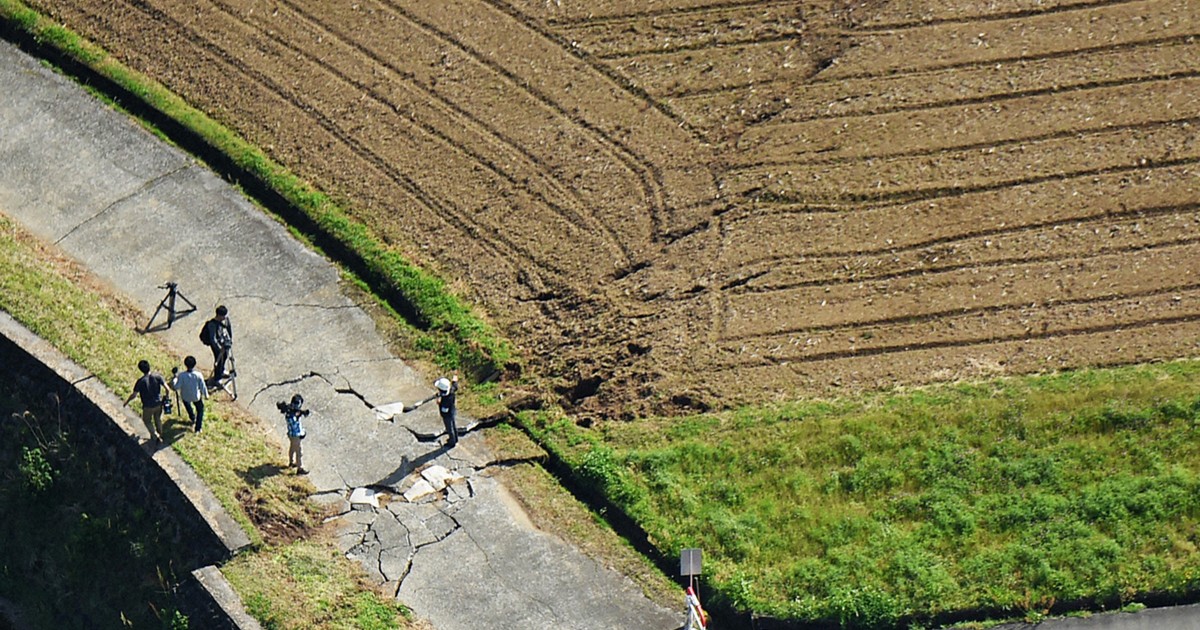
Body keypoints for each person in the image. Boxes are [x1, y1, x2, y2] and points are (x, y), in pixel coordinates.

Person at [123, 359, 169, 444]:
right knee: (157, 418)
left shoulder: (140, 381)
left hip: (148, 406)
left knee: (147, 421)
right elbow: (167, 388)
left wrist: (127, 401)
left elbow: (134, 395)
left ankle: (156, 436)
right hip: (158, 403)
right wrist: (166, 397)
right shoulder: (158, 376)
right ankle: (160, 434)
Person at [171, 355, 209, 432]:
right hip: (196, 396)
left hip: (185, 396)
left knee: (187, 404)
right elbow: (203, 386)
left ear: (185, 365)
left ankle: (192, 417)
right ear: (195, 364)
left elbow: (176, 386)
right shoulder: (198, 375)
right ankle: (198, 428)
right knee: (200, 410)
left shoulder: (181, 375)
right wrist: (206, 395)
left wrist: (175, 378)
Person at [200, 305, 233, 381]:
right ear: (219, 315)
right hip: (216, 345)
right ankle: (217, 377)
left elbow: (227, 329)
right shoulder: (212, 325)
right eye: (223, 316)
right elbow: (213, 339)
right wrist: (219, 348)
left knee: (225, 356)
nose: (225, 318)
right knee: (219, 360)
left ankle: (222, 370)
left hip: (222, 342)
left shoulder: (223, 321)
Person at [280, 394, 309, 474]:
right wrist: (302, 433)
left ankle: (291, 462)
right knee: (299, 452)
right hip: (295, 435)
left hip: (291, 435)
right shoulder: (291, 415)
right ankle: (300, 468)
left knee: (292, 448)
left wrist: (298, 414)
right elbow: (295, 425)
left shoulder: (290, 411)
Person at [435, 374, 459, 447]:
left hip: (447, 415)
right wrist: (454, 380)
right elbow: (455, 386)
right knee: (454, 425)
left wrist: (439, 403)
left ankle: (452, 442)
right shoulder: (451, 390)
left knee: (449, 428)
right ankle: (456, 438)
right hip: (452, 411)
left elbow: (444, 410)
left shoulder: (445, 400)